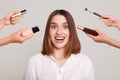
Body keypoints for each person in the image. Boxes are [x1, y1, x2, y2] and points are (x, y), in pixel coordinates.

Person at [24, 9, 95, 80]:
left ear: (71, 31)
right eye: (54, 27)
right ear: (48, 31)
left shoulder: (85, 62)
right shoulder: (34, 62)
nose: (59, 32)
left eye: (65, 27)